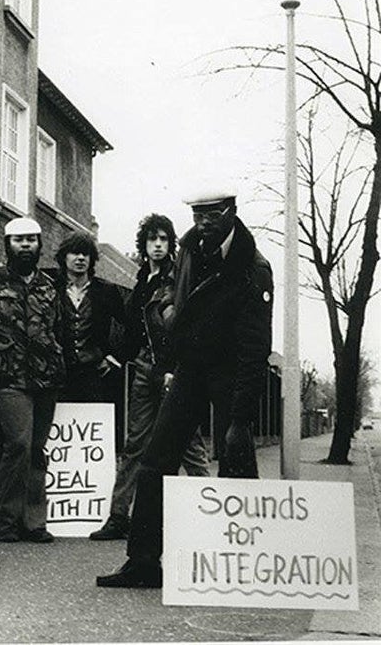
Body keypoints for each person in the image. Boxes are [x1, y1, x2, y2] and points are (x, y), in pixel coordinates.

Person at [96, 187, 274, 588]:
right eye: (196, 215)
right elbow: (174, 302)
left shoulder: (254, 267)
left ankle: (245, 567)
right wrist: (167, 351)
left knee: (236, 461)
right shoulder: (191, 250)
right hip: (191, 368)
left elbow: (255, 346)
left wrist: (242, 418)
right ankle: (142, 562)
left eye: (211, 215)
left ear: (231, 212)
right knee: (155, 460)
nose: (202, 223)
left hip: (230, 372)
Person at [89, 214, 208, 541]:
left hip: (173, 369)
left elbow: (183, 328)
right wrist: (117, 356)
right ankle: (118, 516)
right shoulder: (143, 280)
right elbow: (133, 330)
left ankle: (214, 513)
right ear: (144, 244)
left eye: (163, 240)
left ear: (171, 244)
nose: (157, 245)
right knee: (135, 443)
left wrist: (175, 368)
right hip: (144, 368)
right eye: (152, 240)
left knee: (188, 444)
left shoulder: (179, 278)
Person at [0, 217, 65, 544]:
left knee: (36, 448)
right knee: (17, 444)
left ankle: (34, 522)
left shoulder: (48, 285)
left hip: (45, 376)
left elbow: (55, 328)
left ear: (39, 244)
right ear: (8, 244)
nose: (26, 245)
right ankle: (4, 522)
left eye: (31, 239)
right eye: (19, 240)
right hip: (9, 375)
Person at [55, 231, 126, 403]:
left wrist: (114, 357)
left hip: (94, 375)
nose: (80, 258)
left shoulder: (106, 291)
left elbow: (129, 325)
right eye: (75, 252)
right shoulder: (52, 288)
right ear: (64, 257)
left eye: (85, 253)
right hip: (58, 374)